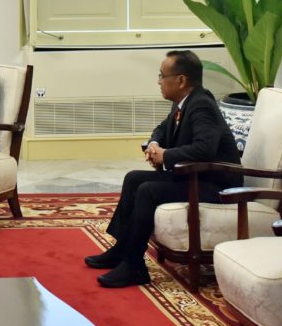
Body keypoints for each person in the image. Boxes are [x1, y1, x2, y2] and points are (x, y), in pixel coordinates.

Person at [85, 50, 243, 288]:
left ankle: (135, 266)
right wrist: (155, 144)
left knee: (148, 190)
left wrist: (166, 156)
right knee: (133, 179)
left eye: (162, 75)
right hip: (195, 177)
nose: (159, 81)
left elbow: (205, 149)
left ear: (180, 80)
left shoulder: (201, 105)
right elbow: (162, 128)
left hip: (216, 184)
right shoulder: (183, 102)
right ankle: (122, 251)